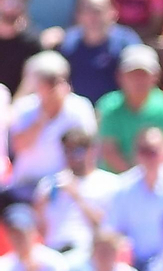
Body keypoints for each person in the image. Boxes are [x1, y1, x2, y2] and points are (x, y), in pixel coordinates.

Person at [9, 50, 97, 191]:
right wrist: (43, 116)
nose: (52, 86)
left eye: (56, 80)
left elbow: (85, 149)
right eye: (46, 80)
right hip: (26, 183)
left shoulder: (80, 107)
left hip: (65, 186)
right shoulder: (24, 107)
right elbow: (19, 146)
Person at [94, 42, 163, 172]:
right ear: (120, 76)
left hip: (155, 180)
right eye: (132, 74)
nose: (138, 80)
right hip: (115, 182)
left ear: (156, 76)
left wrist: (143, 182)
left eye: (143, 74)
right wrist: (133, 183)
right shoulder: (107, 106)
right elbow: (108, 152)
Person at [34, 125, 118, 256]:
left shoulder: (110, 183)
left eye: (77, 151)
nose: (72, 156)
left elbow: (107, 228)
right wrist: (41, 207)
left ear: (91, 150)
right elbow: (40, 231)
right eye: (67, 150)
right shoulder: (49, 183)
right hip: (53, 251)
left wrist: (77, 196)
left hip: (87, 252)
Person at [54, 0, 136, 104]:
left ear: (113, 12)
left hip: (115, 114)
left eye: (97, 10)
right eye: (86, 10)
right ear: (78, 14)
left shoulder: (127, 43)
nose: (92, 17)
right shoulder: (67, 44)